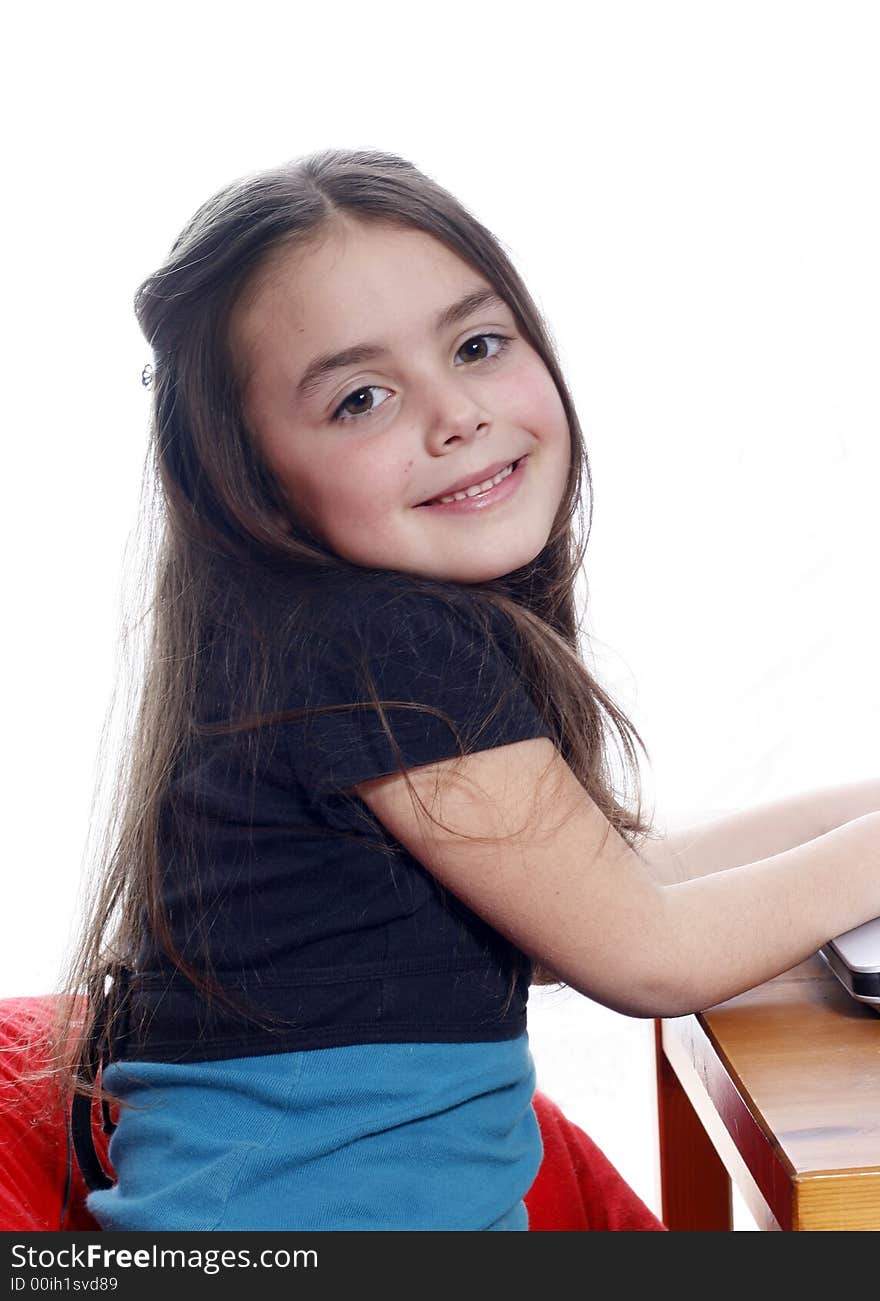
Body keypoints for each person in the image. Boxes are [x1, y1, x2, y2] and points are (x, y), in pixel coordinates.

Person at [42, 148, 879, 1232]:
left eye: (477, 345)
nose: (455, 414)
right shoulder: (380, 647)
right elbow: (648, 951)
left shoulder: (313, 644)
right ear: (252, 481)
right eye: (360, 398)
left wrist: (854, 812)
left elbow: (595, 891)